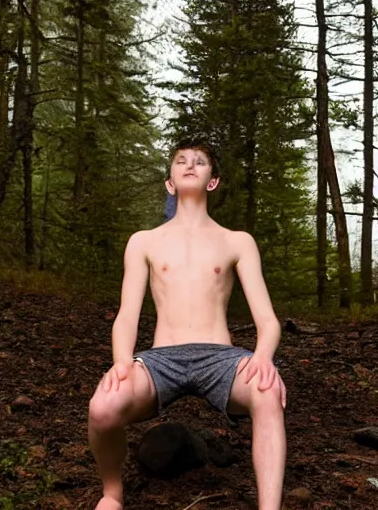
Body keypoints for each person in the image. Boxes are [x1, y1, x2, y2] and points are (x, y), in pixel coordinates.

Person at [88, 139, 287, 510]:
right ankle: (112, 494)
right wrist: (121, 361)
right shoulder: (144, 241)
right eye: (181, 161)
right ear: (170, 182)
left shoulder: (237, 241)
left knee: (268, 390)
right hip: (162, 358)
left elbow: (268, 320)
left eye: (200, 161)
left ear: (212, 181)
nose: (190, 166)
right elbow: (127, 313)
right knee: (102, 407)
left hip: (221, 358)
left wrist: (263, 357)